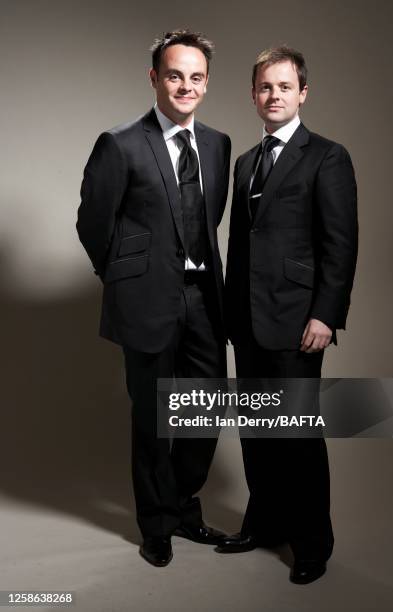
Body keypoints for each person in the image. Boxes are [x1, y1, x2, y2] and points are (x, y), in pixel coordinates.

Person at [76, 29, 231, 567]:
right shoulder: (119, 143)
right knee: (153, 418)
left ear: (206, 83)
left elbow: (208, 221)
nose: (184, 86)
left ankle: (185, 506)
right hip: (145, 301)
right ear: (154, 79)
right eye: (174, 75)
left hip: (204, 299)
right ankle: (157, 524)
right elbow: (93, 223)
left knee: (204, 409)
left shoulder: (217, 145)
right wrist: (123, 278)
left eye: (195, 77)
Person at [218, 46, 358, 584]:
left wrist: (326, 314)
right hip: (248, 321)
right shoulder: (245, 164)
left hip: (300, 320)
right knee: (256, 430)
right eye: (263, 88)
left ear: (302, 93)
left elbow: (340, 245)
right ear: (253, 95)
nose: (273, 96)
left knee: (296, 437)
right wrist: (231, 314)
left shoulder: (327, 156)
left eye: (283, 87)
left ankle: (312, 544)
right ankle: (263, 524)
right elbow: (242, 243)